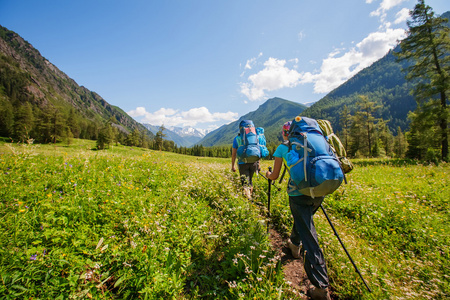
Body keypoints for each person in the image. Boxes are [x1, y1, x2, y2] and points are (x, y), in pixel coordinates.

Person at [265, 121, 331, 300]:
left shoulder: (282, 148)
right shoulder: (314, 144)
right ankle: (294, 244)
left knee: (308, 233)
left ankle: (320, 287)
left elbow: (275, 175)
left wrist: (268, 175)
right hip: (320, 190)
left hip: (298, 194)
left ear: (286, 133)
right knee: (303, 222)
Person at [231, 130, 259, 200]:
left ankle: (249, 200)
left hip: (242, 163)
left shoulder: (237, 138)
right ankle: (250, 197)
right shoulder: (254, 138)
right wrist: (258, 164)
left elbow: (234, 154)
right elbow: (257, 151)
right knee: (250, 181)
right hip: (253, 162)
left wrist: (233, 165)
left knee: (245, 183)